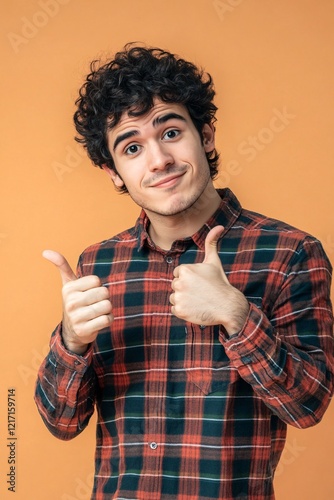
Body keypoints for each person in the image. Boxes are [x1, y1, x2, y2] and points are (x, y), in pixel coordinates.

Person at [34, 44, 334, 500]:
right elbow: (61, 422)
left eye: (170, 132)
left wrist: (238, 317)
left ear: (206, 135)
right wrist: (71, 342)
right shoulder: (97, 266)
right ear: (114, 172)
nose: (158, 161)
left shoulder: (290, 253)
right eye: (132, 147)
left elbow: (308, 406)